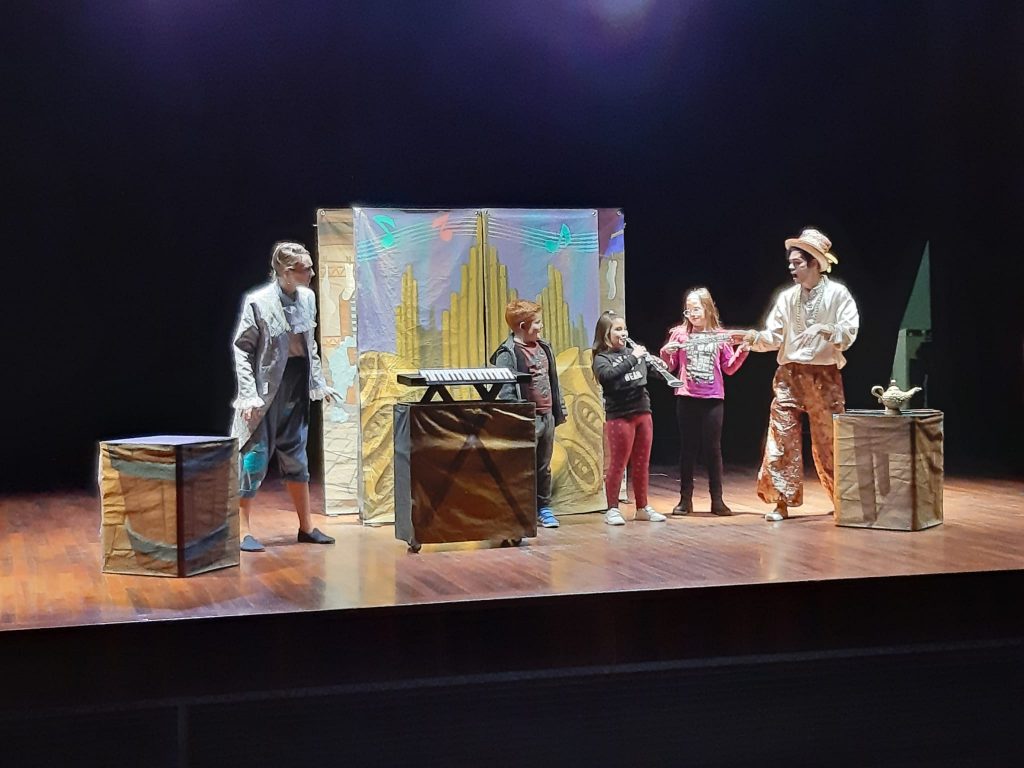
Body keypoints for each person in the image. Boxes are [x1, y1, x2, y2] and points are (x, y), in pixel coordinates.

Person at [740, 227, 860, 522]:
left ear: (815, 263)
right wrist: (751, 339)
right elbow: (773, 336)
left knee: (830, 441)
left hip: (824, 377)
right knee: (781, 437)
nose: (791, 268)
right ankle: (780, 501)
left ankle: (844, 500)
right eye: (790, 263)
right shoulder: (787, 298)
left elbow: (849, 333)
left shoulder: (837, 294)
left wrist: (825, 328)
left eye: (798, 263)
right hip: (789, 374)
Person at [231, 241, 339, 551]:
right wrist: (249, 395)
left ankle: (306, 526)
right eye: (306, 269)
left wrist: (318, 382)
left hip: (295, 383)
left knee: (297, 454)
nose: (311, 274)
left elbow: (310, 344)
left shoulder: (307, 298)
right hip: (266, 389)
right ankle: (242, 530)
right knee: (254, 455)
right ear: (287, 272)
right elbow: (242, 349)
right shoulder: (259, 302)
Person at [660, 287, 748, 516]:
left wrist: (742, 352)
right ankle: (685, 500)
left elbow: (729, 368)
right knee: (688, 449)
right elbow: (670, 367)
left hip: (712, 399)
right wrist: (666, 352)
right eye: (688, 310)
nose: (692, 314)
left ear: (707, 308)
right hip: (687, 397)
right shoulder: (679, 334)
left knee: (713, 450)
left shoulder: (720, 336)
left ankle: (717, 500)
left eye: (696, 309)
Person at [490, 299, 567, 529]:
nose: (541, 327)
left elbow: (552, 382)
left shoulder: (544, 348)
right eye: (537, 323)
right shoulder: (508, 353)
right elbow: (505, 391)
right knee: (522, 467)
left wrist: (558, 409)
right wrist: (518, 419)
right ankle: (520, 510)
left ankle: (544, 507)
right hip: (527, 419)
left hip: (547, 416)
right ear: (523, 326)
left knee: (543, 465)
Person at [592, 310, 667, 525]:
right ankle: (612, 509)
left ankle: (642, 507)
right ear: (606, 334)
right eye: (618, 329)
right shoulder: (602, 358)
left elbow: (655, 372)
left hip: (643, 411)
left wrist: (660, 364)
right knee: (618, 464)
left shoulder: (634, 352)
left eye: (624, 329)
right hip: (620, 416)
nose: (623, 333)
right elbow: (609, 377)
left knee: (642, 463)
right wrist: (634, 358)